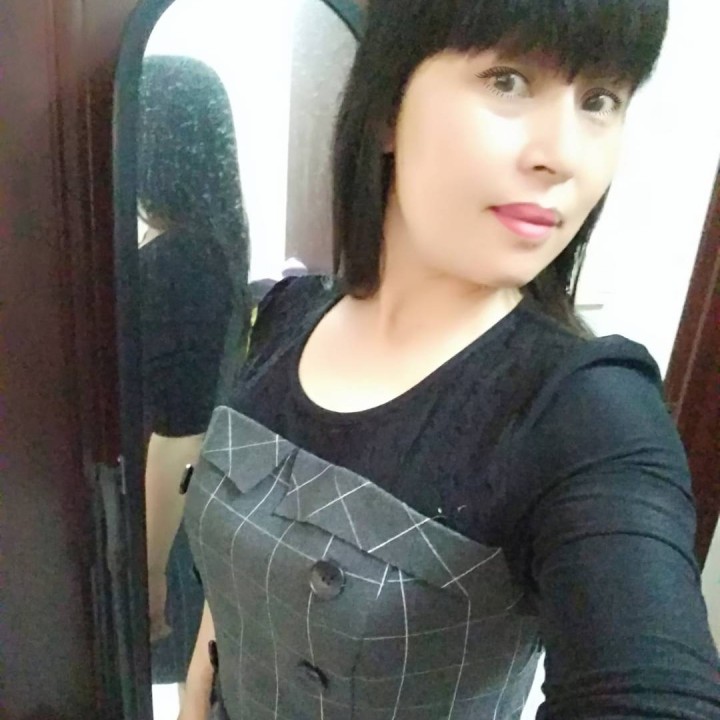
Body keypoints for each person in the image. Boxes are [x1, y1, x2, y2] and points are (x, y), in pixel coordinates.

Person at [178, 1, 720, 718]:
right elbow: (230, 599)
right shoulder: (284, 315)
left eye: (599, 100)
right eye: (508, 80)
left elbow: (653, 691)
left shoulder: (586, 410)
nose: (563, 155)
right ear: (387, 107)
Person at [136, 54, 251, 687]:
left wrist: (149, 571)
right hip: (192, 503)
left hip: (168, 514)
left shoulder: (178, 261)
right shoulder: (213, 243)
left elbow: (179, 434)